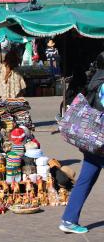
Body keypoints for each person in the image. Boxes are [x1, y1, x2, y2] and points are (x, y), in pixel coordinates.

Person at [59, 51, 104, 234]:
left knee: (85, 180)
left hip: (93, 140)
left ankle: (69, 219)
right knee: (86, 179)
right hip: (100, 141)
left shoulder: (96, 79)